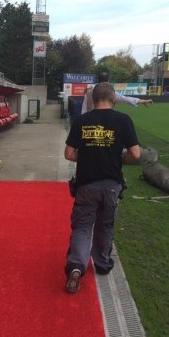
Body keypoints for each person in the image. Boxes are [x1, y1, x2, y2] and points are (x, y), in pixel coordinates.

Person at [63, 82, 140, 293]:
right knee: (105, 225)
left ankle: (76, 267)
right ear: (113, 99)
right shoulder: (124, 120)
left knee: (82, 226)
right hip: (112, 185)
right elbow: (135, 155)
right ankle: (103, 264)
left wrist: (89, 156)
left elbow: (69, 154)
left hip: (86, 184)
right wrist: (115, 157)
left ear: (92, 99)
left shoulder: (81, 121)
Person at [81, 72, 153, 114]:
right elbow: (126, 99)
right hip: (106, 123)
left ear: (98, 80)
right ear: (108, 81)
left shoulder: (89, 91)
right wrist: (143, 101)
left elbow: (84, 110)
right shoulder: (110, 92)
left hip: (89, 124)